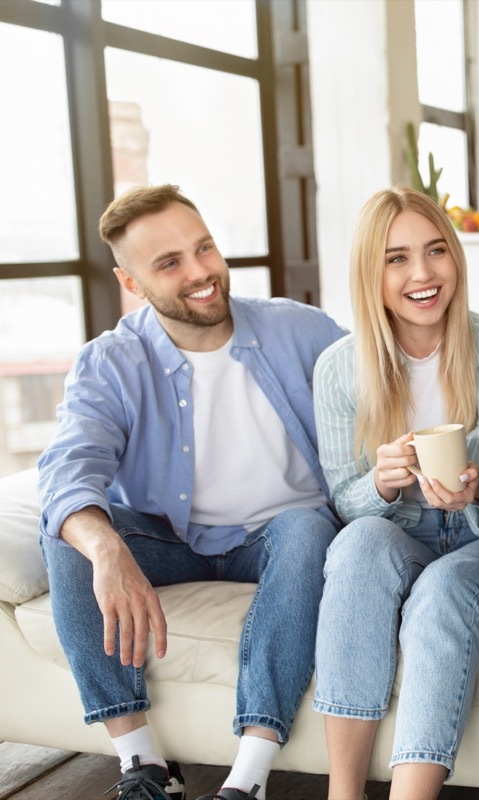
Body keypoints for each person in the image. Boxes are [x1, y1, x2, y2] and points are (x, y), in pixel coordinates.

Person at [36, 185, 345, 800]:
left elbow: (381, 396)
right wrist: (105, 549)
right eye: (170, 262)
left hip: (279, 539)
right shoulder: (110, 362)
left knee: (308, 527)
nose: (202, 272)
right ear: (132, 281)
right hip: (172, 541)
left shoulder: (302, 331)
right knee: (73, 534)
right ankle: (143, 767)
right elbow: (68, 468)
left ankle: (249, 778)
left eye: (204, 248)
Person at [311, 187, 479, 800]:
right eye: (397, 258)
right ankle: (344, 792)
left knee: (440, 592)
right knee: (358, 547)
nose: (423, 274)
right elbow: (342, 502)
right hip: (399, 534)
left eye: (437, 251)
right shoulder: (339, 367)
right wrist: (379, 484)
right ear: (371, 273)